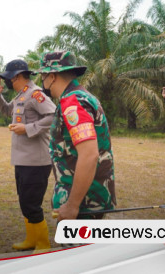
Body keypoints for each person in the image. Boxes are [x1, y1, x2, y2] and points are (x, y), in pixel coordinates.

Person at [35, 51, 116, 221]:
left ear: (52, 76)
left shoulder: (73, 102)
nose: (42, 81)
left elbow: (89, 155)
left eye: (43, 76)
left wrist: (72, 205)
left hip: (84, 202)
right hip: (89, 196)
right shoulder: (81, 97)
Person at [0, 59, 56, 253]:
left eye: (8, 78)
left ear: (17, 77)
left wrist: (27, 128)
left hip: (36, 160)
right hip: (23, 159)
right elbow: (9, 111)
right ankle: (31, 239)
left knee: (31, 204)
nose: (6, 82)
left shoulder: (36, 94)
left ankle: (43, 245)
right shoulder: (22, 95)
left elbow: (53, 116)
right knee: (25, 202)